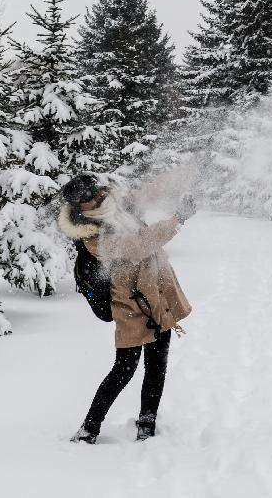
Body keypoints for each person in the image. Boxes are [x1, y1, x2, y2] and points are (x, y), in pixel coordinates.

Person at [58, 174, 195, 444]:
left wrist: (181, 184)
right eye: (87, 198)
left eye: (95, 192)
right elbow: (138, 244)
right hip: (130, 307)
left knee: (157, 366)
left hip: (157, 296)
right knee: (124, 369)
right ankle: (89, 428)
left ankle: (147, 421)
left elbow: (149, 192)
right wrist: (176, 220)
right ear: (78, 206)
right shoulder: (91, 234)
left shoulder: (118, 207)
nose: (95, 198)